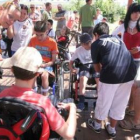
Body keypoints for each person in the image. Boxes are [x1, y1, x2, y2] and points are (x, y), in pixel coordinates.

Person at [0, 47, 77, 139]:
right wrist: (72, 108)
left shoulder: (3, 95)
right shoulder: (43, 102)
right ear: (37, 74)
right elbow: (68, 134)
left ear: (12, 70)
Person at [87, 22, 136, 138]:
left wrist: (101, 74)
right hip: (129, 73)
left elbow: (97, 67)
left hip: (111, 73)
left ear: (96, 34)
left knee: (104, 101)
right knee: (120, 102)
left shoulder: (96, 43)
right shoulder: (118, 39)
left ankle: (97, 125)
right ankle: (111, 128)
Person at [112, 3, 140, 130]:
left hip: (138, 60)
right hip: (124, 60)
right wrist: (122, 49)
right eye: (134, 12)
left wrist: (139, 48)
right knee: (125, 86)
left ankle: (131, 109)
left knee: (135, 86)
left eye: (139, 12)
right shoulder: (122, 27)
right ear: (130, 13)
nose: (137, 14)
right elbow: (111, 38)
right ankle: (121, 113)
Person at [29, 21, 58, 96]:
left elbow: (53, 60)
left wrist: (45, 65)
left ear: (47, 31)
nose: (39, 37)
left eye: (41, 35)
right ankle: (34, 94)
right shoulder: (32, 40)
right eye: (37, 35)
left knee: (44, 76)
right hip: (35, 64)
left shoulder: (52, 42)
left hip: (47, 65)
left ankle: (44, 96)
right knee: (32, 74)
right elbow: (29, 54)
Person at [69, 33, 97, 112]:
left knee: (99, 79)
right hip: (84, 65)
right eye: (86, 43)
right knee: (82, 79)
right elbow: (70, 62)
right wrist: (72, 69)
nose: (89, 44)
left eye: (89, 42)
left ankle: (99, 101)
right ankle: (81, 102)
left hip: (94, 64)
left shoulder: (95, 47)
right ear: (82, 44)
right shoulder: (78, 50)